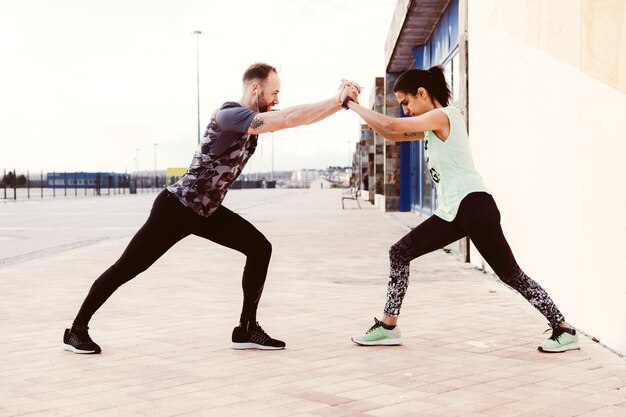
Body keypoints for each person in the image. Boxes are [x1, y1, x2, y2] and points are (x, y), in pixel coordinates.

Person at [63, 63, 358, 354]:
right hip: (176, 208)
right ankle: (76, 330)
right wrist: (335, 99)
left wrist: (343, 104)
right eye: (274, 92)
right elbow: (290, 118)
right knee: (126, 268)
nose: (277, 100)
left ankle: (246, 329)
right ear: (255, 88)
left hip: (206, 211)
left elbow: (297, 118)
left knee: (259, 248)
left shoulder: (252, 117)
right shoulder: (229, 115)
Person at [343, 67, 578, 353]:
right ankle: (388, 326)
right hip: (453, 210)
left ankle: (563, 329)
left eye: (406, 102)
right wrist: (352, 107)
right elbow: (390, 133)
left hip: (475, 206)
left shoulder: (444, 117)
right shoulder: (429, 126)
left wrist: (352, 103)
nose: (404, 110)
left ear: (422, 93)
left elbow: (392, 126)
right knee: (400, 252)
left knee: (510, 274)